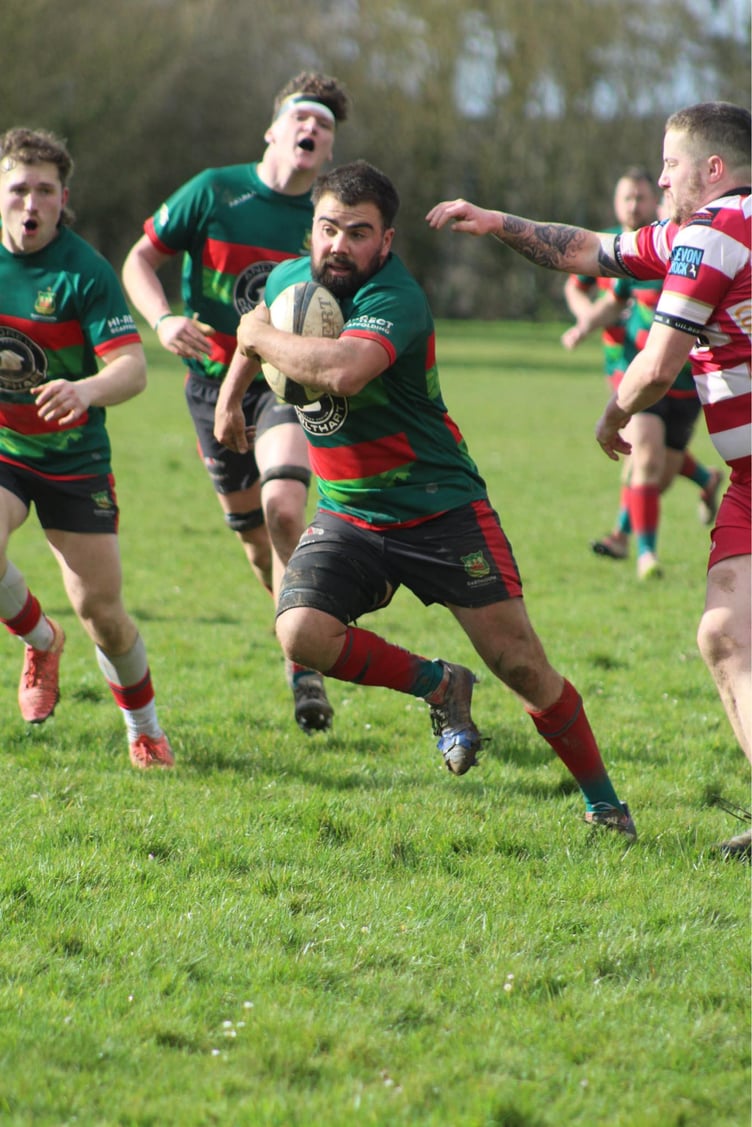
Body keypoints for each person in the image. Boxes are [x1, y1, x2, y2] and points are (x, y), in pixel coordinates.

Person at [215, 159, 637, 842]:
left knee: (523, 664)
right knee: (300, 631)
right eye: (328, 229)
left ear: (386, 241)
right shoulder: (294, 283)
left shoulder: (396, 299)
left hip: (441, 511)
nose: (339, 245)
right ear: (311, 230)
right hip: (350, 514)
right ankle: (441, 686)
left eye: (359, 232)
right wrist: (233, 395)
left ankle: (604, 804)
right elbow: (260, 326)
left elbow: (340, 369)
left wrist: (255, 338)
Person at [427, 101, 750, 858]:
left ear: (710, 170)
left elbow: (659, 362)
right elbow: (593, 249)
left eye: (669, 164)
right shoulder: (703, 230)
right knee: (724, 633)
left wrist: (612, 413)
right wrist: (497, 221)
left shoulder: (712, 232)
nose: (659, 176)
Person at [122, 72, 349, 733]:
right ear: (274, 131)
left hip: (282, 383)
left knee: (285, 506)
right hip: (207, 383)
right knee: (256, 545)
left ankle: (302, 664)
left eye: (325, 126)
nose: (312, 130)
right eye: (302, 119)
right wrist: (163, 321)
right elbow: (140, 258)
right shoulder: (214, 190)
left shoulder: (324, 220)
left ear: (329, 150)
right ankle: (296, 622)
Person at [0, 127, 172, 769]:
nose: (30, 202)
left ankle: (144, 728)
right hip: (7, 449)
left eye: (44, 190)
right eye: (17, 188)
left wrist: (85, 389)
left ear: (62, 197)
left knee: (102, 612)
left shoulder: (85, 272)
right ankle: (40, 642)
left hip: (74, 462)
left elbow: (132, 368)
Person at [562, 170, 723, 579]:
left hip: (689, 385)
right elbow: (611, 300)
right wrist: (585, 324)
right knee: (645, 459)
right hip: (640, 372)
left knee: (660, 474)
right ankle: (644, 554)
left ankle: (700, 480)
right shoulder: (644, 252)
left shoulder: (711, 254)